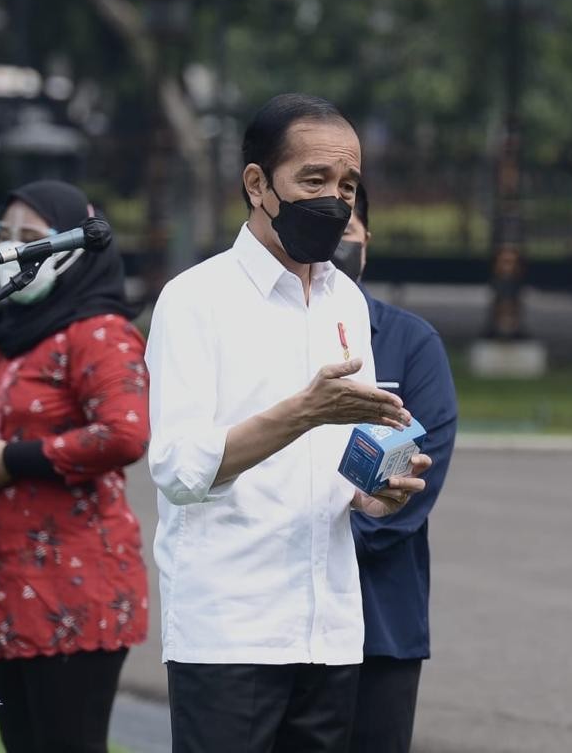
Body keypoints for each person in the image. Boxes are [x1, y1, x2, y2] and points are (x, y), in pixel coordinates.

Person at [145, 93, 431, 753]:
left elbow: (338, 469)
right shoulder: (195, 302)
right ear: (257, 184)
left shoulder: (346, 302)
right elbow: (181, 469)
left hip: (330, 632)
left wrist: (375, 494)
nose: (335, 199)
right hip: (230, 634)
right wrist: (302, 413)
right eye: (314, 180)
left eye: (348, 184)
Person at [0, 180, 150, 753]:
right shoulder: (0, 333)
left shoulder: (101, 334)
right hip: (4, 585)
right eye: (6, 237)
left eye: (31, 239)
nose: (16, 250)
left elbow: (126, 432)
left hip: (74, 591)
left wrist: (11, 461)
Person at [332, 184, 458, 753]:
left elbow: (407, 487)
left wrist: (301, 540)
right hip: (267, 625)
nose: (334, 241)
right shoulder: (252, 341)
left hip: (378, 624)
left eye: (346, 229)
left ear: (367, 242)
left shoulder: (409, 345)